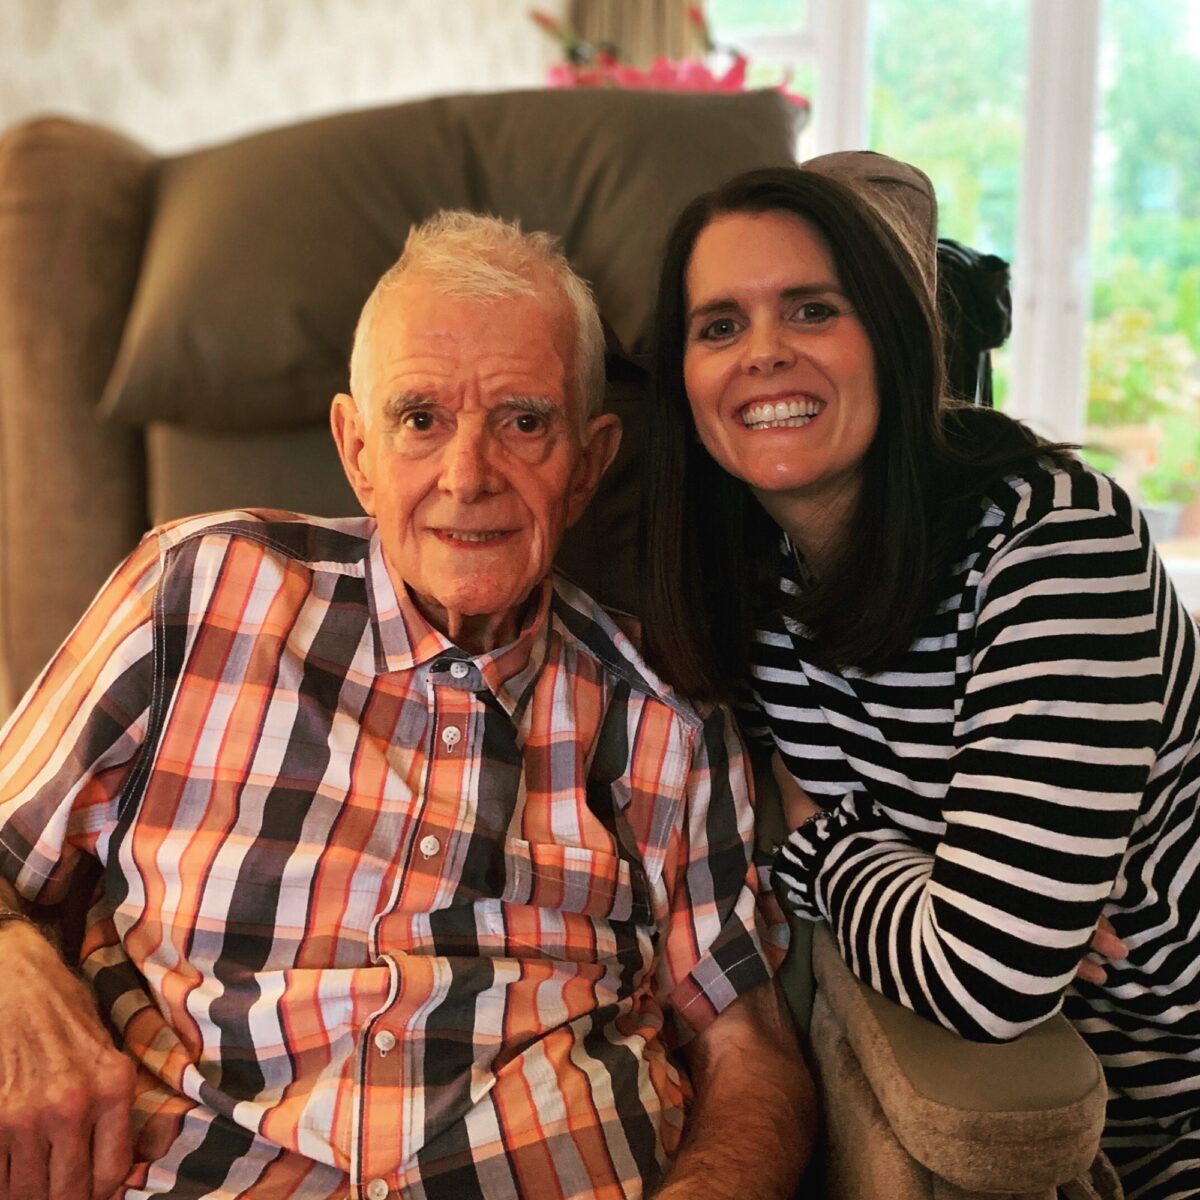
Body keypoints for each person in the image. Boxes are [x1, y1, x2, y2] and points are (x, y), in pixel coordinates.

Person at [0, 211, 814, 1200]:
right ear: (357, 450)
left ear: (591, 462)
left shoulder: (667, 716)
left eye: (523, 420)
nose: (467, 477)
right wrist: (14, 969)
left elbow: (751, 1047)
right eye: (421, 418)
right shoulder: (196, 591)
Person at [639, 153, 1200, 1200]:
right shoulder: (745, 582)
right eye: (719, 326)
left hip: (1172, 1105)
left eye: (812, 310)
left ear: (895, 342)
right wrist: (947, 889)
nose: (761, 354)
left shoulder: (1053, 546)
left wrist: (820, 843)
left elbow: (986, 977)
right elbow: (745, 810)